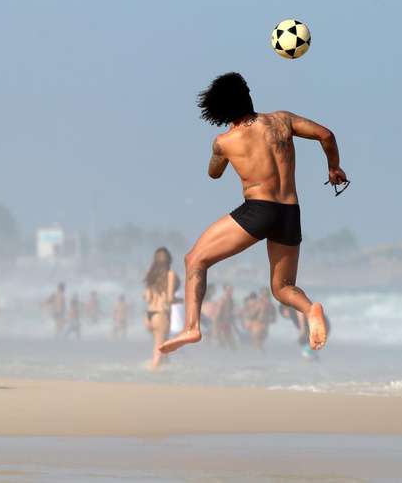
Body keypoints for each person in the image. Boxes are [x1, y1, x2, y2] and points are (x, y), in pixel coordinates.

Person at [158, 73, 346, 355]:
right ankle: (310, 309)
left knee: (194, 259)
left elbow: (214, 173)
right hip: (290, 212)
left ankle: (192, 327)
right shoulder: (282, 120)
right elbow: (326, 135)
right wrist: (333, 168)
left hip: (258, 210)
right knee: (283, 287)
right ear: (248, 96)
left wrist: (218, 154)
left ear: (219, 110)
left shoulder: (225, 141)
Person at [142, 247, 179, 369]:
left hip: (149, 315)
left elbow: (146, 297)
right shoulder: (170, 274)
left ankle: (165, 370)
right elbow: (169, 299)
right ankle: (153, 373)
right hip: (161, 313)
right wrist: (183, 300)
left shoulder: (151, 275)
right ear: (169, 260)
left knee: (163, 345)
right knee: (159, 348)